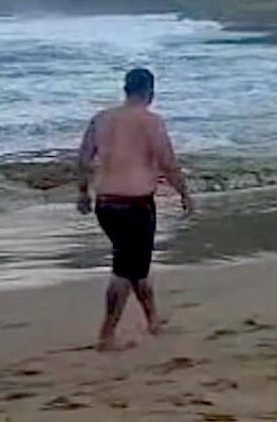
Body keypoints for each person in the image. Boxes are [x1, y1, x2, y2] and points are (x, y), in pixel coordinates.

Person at [78, 68, 193, 352]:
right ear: (150, 91)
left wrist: (83, 193)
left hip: (106, 204)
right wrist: (185, 193)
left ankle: (153, 319)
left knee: (134, 264)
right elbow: (167, 161)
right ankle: (106, 335)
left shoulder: (101, 119)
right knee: (126, 268)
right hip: (136, 204)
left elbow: (82, 158)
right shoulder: (150, 121)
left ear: (125, 89)